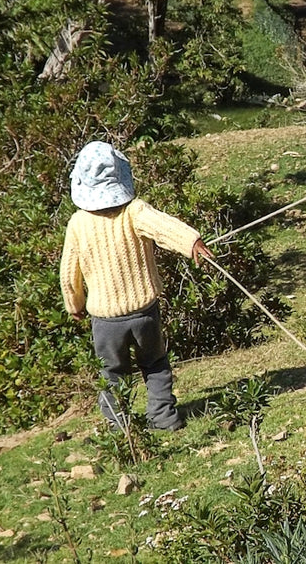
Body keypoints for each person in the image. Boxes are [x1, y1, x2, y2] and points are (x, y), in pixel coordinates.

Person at [60, 140, 213, 432]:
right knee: (155, 363)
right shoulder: (135, 211)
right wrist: (191, 241)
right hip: (144, 312)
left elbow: (70, 273)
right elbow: (164, 226)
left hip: (105, 321)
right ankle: (164, 418)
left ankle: (120, 429)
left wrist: (74, 304)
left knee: (112, 373)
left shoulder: (78, 224)